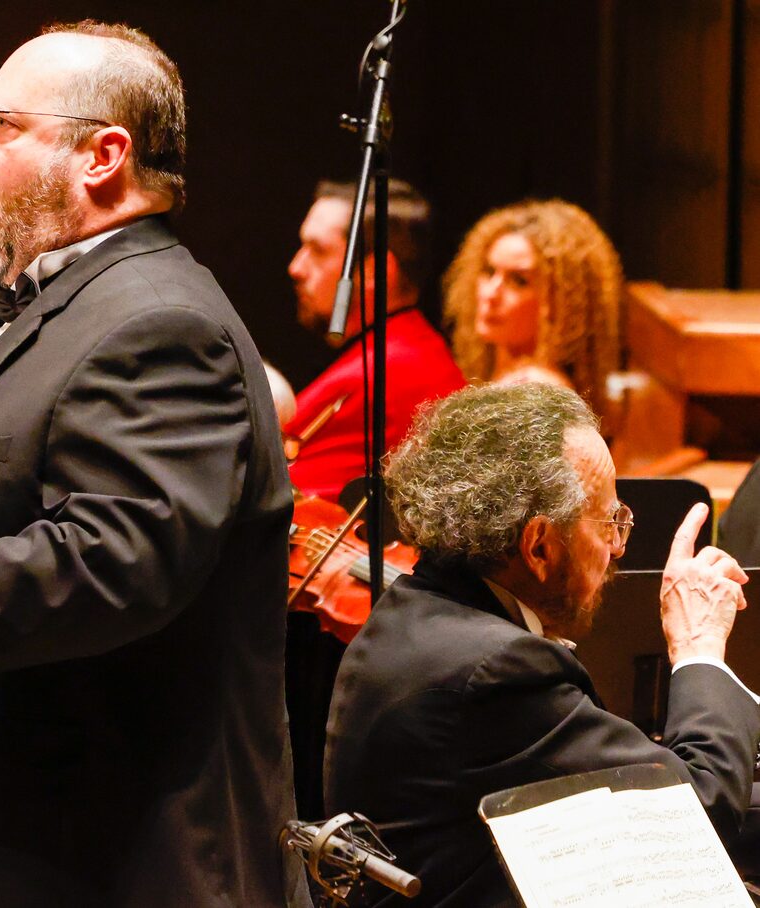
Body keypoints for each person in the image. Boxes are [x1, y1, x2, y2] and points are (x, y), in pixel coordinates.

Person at [0, 21, 308, 908]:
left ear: (102, 156)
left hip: (89, 856)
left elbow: (111, 560)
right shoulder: (62, 305)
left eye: (1, 126)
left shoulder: (157, 323)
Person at [325, 383, 760, 907]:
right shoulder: (494, 671)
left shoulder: (415, 615)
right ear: (539, 546)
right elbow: (693, 813)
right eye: (609, 524)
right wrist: (699, 644)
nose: (619, 547)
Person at [284, 179, 464, 503]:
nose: (296, 267)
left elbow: (276, 501)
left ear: (375, 270)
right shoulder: (413, 352)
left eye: (318, 251)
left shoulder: (388, 373)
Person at [443, 199, 622, 423]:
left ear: (562, 301)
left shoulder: (535, 394)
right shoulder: (507, 380)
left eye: (518, 281)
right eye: (489, 271)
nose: (490, 294)